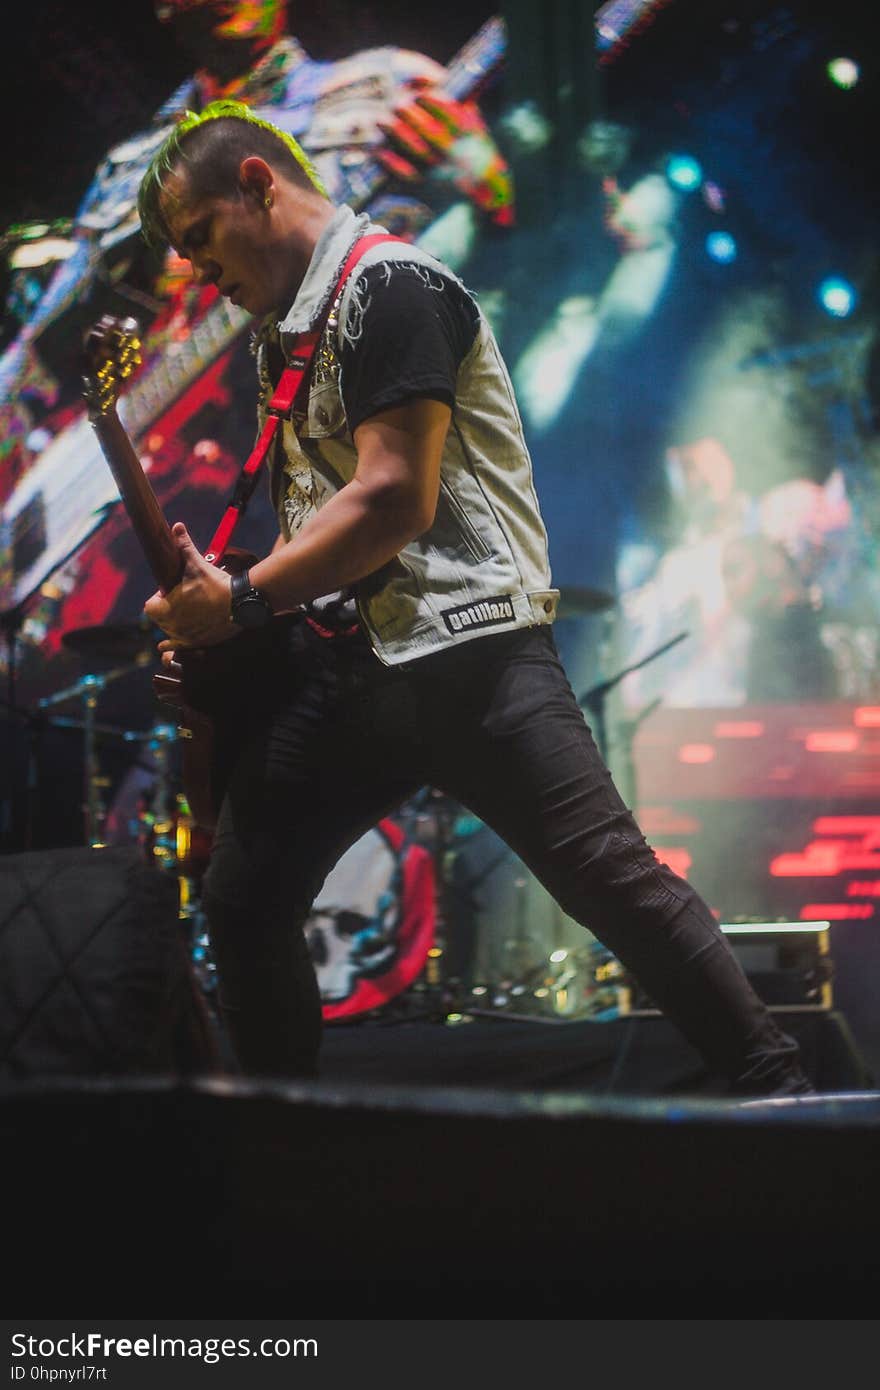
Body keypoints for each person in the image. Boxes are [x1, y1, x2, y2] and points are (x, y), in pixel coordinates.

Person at [137, 100, 814, 1097]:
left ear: (255, 184)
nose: (199, 272)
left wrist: (237, 603)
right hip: (353, 671)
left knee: (612, 884)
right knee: (244, 898)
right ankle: (285, 1134)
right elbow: (320, 517)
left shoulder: (394, 286)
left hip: (473, 657)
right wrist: (229, 608)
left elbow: (391, 498)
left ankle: (778, 1089)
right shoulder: (282, 333)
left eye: (200, 239)